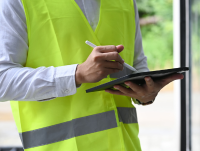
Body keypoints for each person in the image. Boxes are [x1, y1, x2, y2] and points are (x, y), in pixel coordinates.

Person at [0, 0, 183, 150]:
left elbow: (137, 65)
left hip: (126, 145)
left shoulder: (126, 2)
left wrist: (146, 93)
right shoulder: (17, 2)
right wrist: (76, 74)